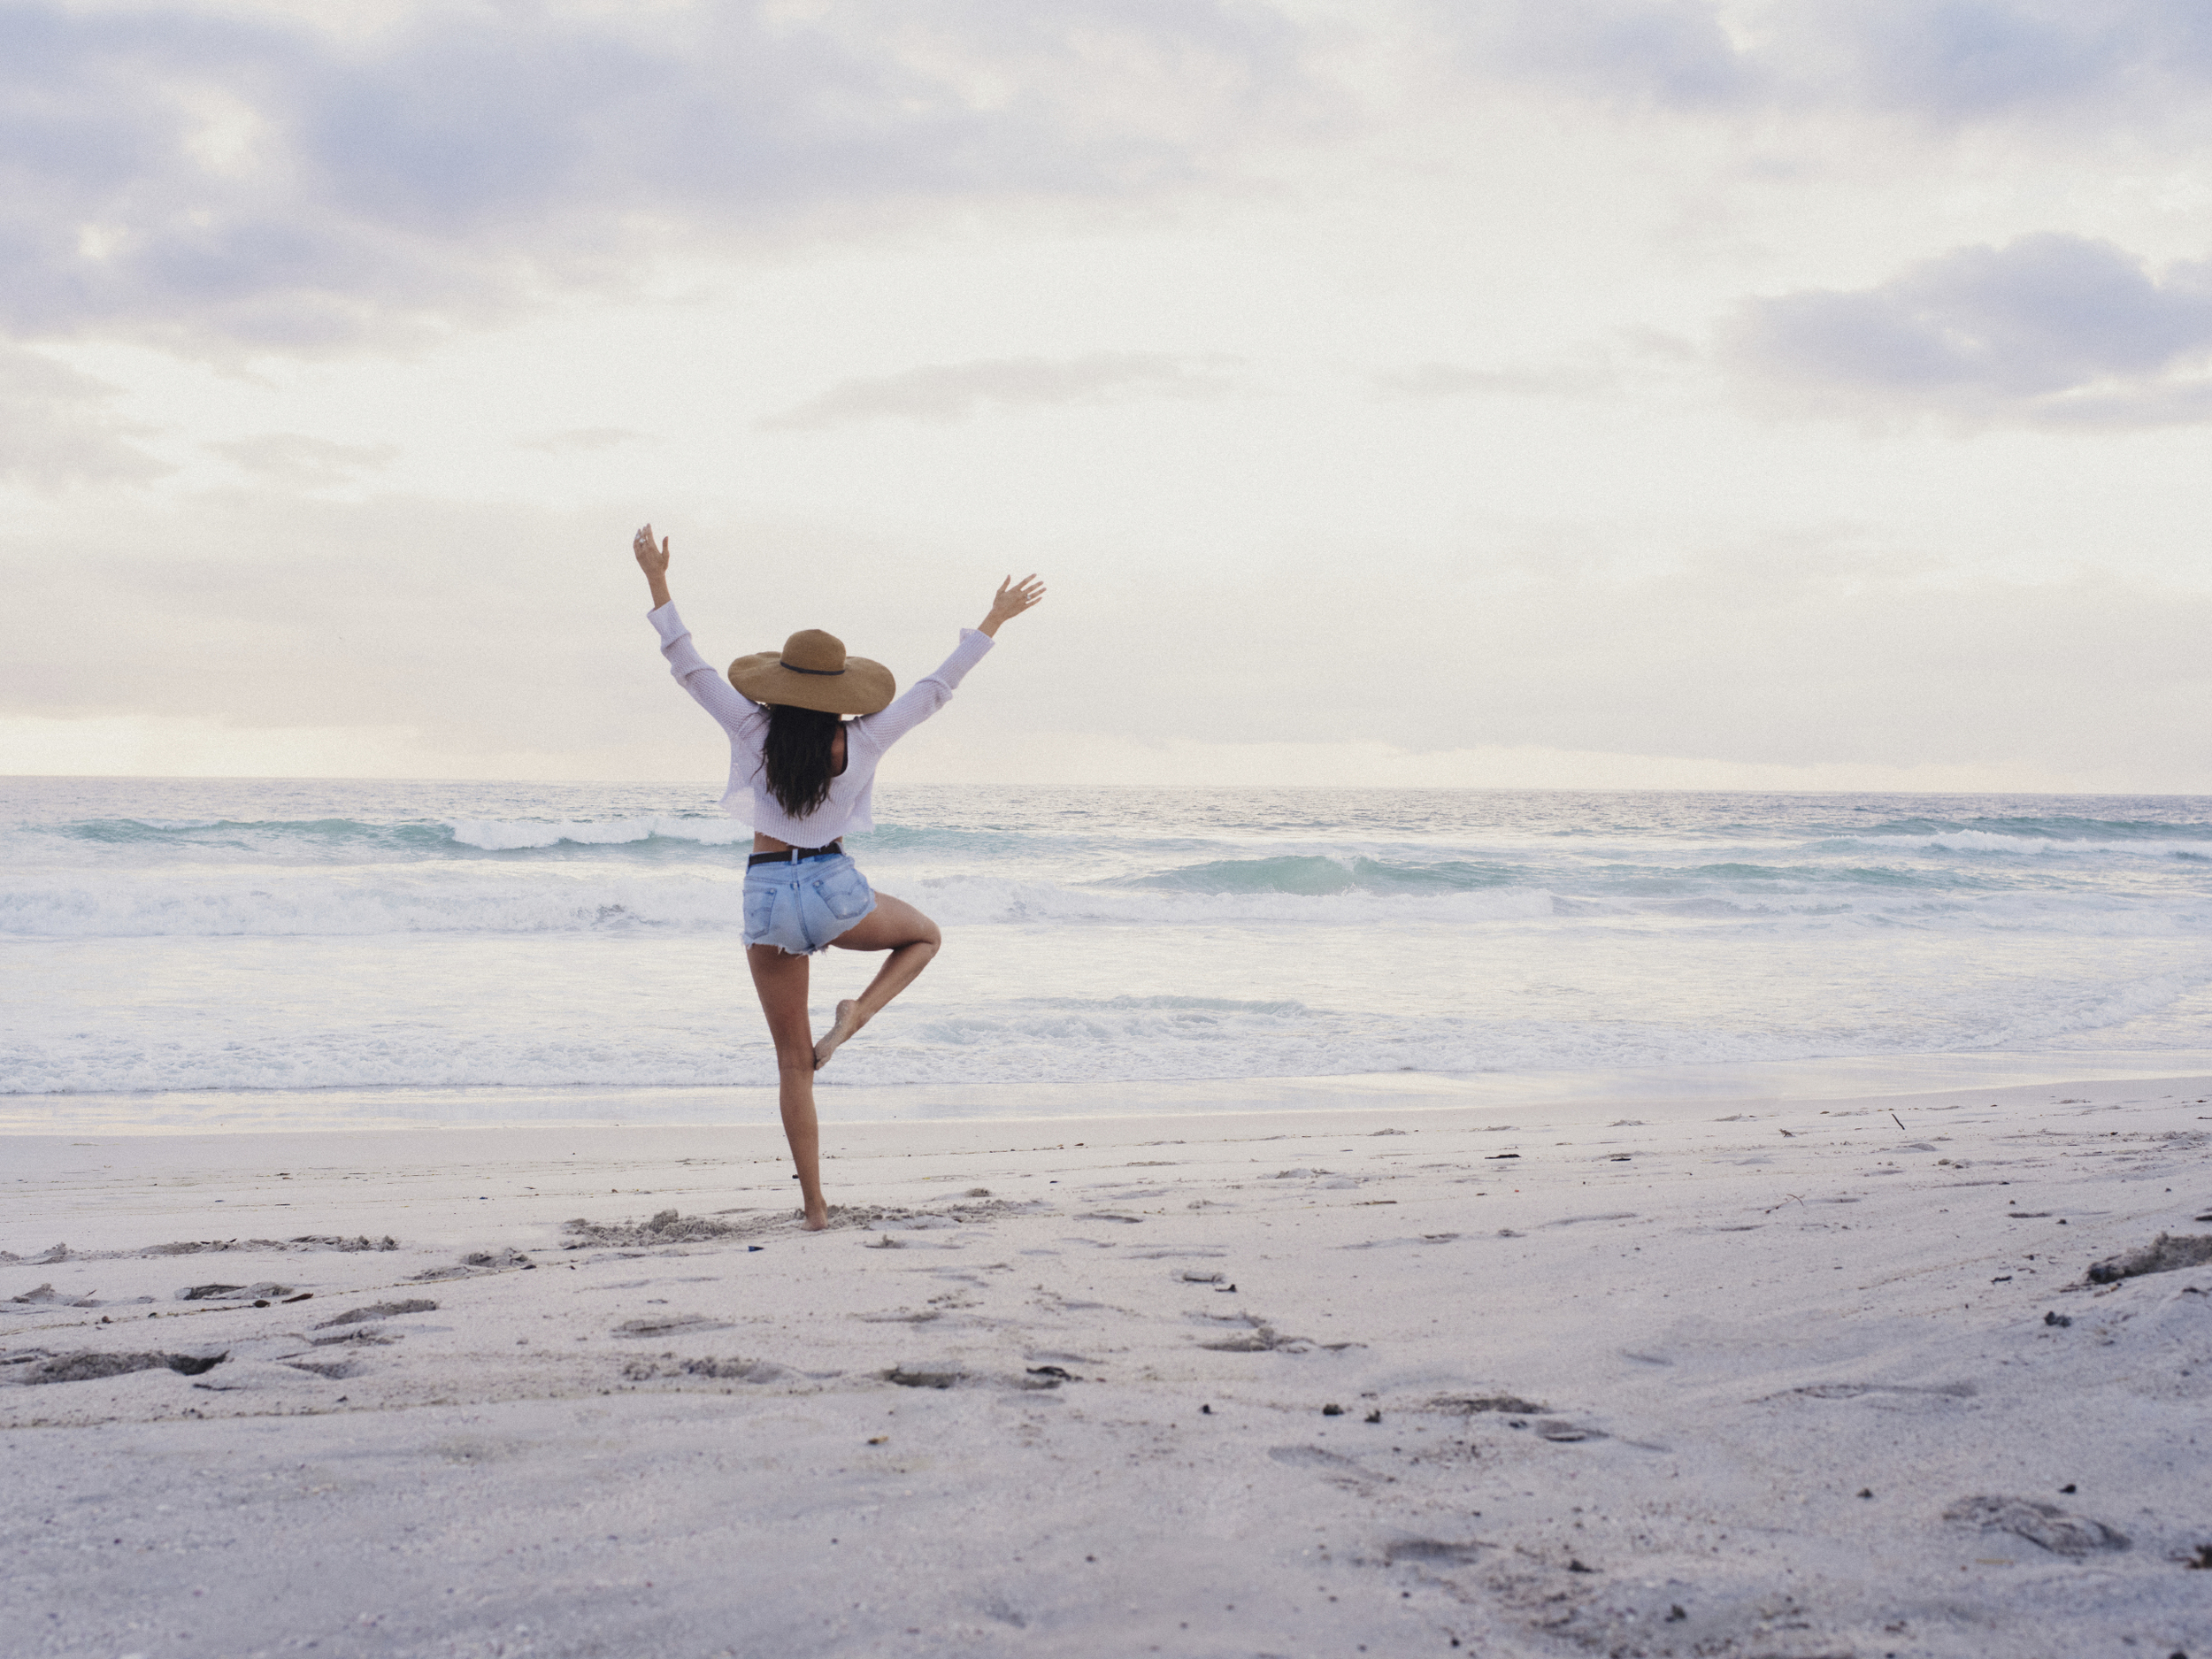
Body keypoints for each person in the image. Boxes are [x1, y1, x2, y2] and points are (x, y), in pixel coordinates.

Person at [632, 525, 1045, 1230]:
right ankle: (858, 1014)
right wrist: (993, 620)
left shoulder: (751, 729)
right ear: (840, 688)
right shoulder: (865, 736)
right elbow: (936, 688)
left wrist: (657, 579)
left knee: (794, 1065)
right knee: (924, 937)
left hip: (767, 895)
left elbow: (688, 664)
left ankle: (816, 1209)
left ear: (780, 683)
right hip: (832, 889)